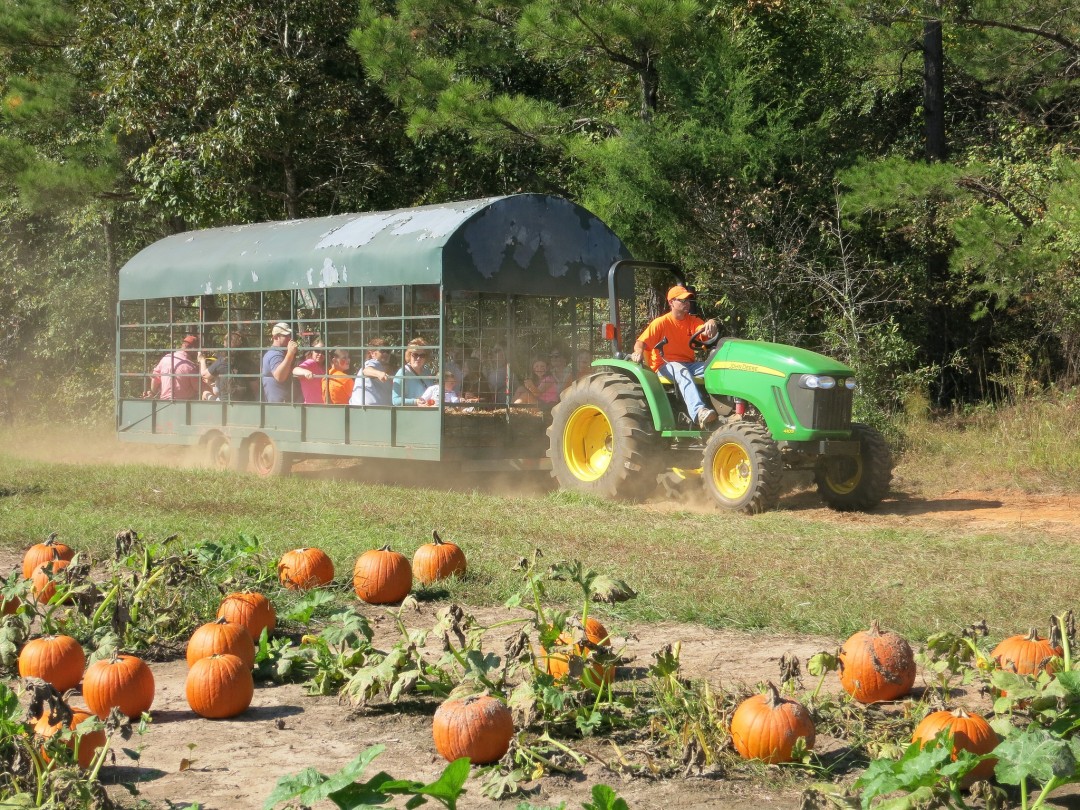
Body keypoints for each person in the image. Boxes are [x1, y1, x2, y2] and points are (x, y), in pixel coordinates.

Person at [630, 285, 719, 428]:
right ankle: (699, 412)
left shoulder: (693, 321)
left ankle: (735, 410)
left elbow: (704, 331)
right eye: (682, 301)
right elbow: (640, 343)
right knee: (681, 371)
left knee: (716, 367)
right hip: (665, 365)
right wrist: (638, 352)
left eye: (688, 301)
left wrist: (711, 324)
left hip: (689, 364)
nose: (687, 304)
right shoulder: (660, 323)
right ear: (671, 303)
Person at [198, 331, 256, 402]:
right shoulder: (249, 363)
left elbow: (204, 374)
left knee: (205, 393)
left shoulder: (222, 362)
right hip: (245, 402)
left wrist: (202, 360)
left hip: (224, 403)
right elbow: (255, 388)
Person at [145, 335, 201, 400]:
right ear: (193, 349)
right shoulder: (190, 366)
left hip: (164, 402)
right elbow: (199, 387)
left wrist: (153, 393)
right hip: (184, 404)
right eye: (197, 350)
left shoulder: (166, 358)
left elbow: (155, 378)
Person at [262, 322, 299, 403]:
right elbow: (280, 377)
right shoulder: (275, 354)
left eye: (289, 335)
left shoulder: (278, 352)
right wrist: (290, 354)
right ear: (276, 337)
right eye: (285, 336)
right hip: (280, 405)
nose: (289, 338)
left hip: (281, 403)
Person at [350, 338, 394, 406]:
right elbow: (366, 371)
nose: (386, 354)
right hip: (366, 410)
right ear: (372, 353)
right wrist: (379, 374)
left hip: (375, 411)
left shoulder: (384, 368)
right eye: (382, 351)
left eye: (388, 351)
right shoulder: (373, 362)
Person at [393, 338, 432, 406]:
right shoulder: (402, 373)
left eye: (422, 355)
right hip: (410, 413)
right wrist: (415, 402)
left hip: (427, 412)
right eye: (415, 355)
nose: (418, 358)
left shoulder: (427, 372)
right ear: (409, 355)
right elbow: (395, 400)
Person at [291, 340, 326, 404]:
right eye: (317, 351)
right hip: (311, 406)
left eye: (323, 352)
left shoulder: (324, 368)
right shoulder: (311, 362)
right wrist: (305, 372)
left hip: (322, 406)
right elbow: (295, 370)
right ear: (312, 351)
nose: (320, 354)